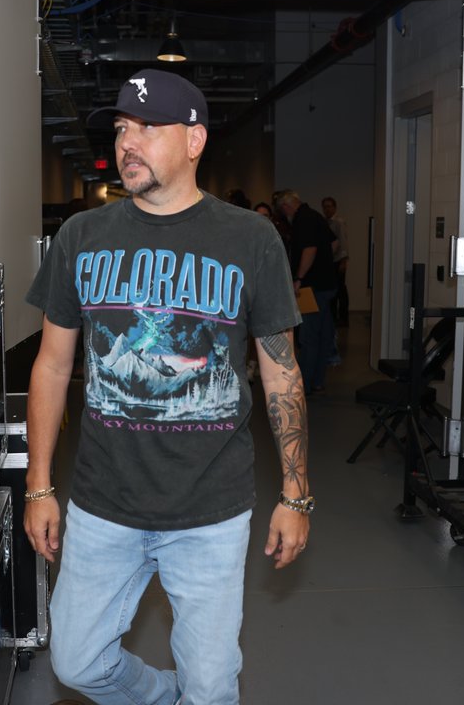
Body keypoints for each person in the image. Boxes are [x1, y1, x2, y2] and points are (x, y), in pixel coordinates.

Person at [24, 69, 313, 705]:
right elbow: (50, 366)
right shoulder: (81, 238)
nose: (129, 142)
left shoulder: (250, 239)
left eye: (148, 128)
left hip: (210, 506)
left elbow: (280, 371)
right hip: (104, 501)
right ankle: (164, 698)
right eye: (123, 128)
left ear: (193, 141)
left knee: (211, 687)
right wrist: (38, 484)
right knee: (74, 662)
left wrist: (297, 493)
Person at [273, 189, 338, 395]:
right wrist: (325, 265)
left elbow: (309, 250)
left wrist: (299, 278)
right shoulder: (316, 216)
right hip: (328, 285)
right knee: (324, 335)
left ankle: (304, 385)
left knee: (309, 337)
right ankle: (317, 380)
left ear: (286, 206)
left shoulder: (302, 220)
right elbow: (334, 243)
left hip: (312, 288)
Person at [322, 196, 350, 328]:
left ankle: (343, 318)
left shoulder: (339, 222)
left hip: (338, 260)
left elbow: (343, 242)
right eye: (325, 206)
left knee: (340, 290)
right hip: (329, 262)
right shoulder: (324, 222)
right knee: (332, 290)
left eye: (329, 206)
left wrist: (344, 261)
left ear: (334, 207)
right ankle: (333, 317)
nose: (327, 209)